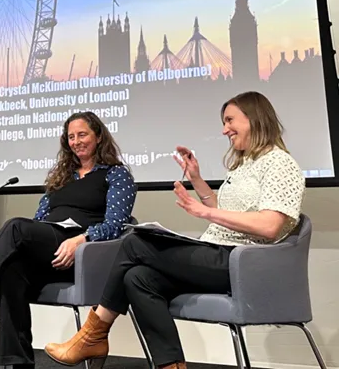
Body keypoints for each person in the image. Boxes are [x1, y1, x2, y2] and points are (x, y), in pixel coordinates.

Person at [44, 91, 307, 369]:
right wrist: (197, 181)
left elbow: (270, 225)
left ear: (254, 118)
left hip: (243, 263)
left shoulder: (280, 163)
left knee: (134, 243)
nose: (224, 129)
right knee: (137, 277)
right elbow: (232, 214)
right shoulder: (245, 165)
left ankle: (93, 333)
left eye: (230, 120)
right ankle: (171, 365)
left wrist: (205, 211)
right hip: (220, 253)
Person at [0, 112, 136, 368]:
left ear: (98, 136)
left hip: (82, 251)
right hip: (50, 244)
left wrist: (81, 239)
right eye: (71, 137)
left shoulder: (116, 174)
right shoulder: (62, 176)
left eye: (82, 135)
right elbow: (40, 219)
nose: (76, 141)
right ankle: (17, 361)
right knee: (11, 269)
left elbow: (117, 224)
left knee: (15, 227)